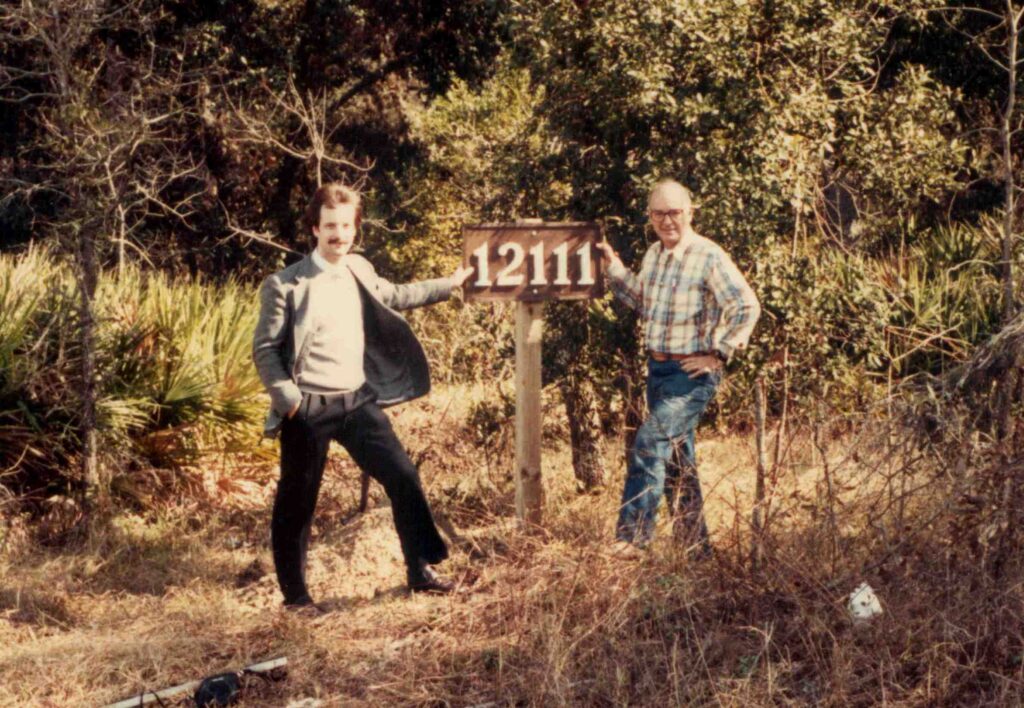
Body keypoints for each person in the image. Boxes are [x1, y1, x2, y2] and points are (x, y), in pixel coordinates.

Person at [252, 183, 472, 610]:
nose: (339, 234)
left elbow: (395, 296)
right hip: (308, 407)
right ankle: (296, 599)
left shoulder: (359, 269)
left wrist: (449, 284)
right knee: (297, 502)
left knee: (404, 478)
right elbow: (264, 349)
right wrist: (291, 402)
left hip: (356, 401)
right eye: (330, 226)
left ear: (355, 229)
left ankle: (419, 571)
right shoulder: (285, 284)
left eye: (346, 226)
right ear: (315, 228)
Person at [596, 179, 760, 555]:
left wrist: (718, 353)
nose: (666, 220)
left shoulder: (708, 255)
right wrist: (614, 267)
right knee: (677, 465)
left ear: (690, 212)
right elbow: (644, 302)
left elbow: (746, 305)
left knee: (650, 443)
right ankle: (695, 548)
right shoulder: (654, 254)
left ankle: (632, 539)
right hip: (658, 372)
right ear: (650, 216)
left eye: (674, 212)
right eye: (658, 213)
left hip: (691, 377)